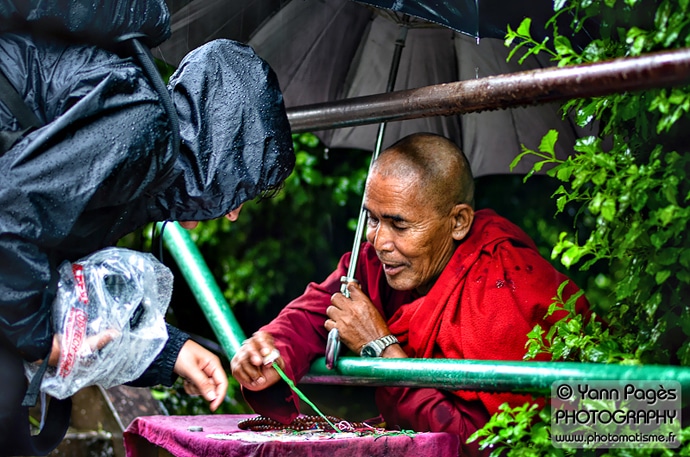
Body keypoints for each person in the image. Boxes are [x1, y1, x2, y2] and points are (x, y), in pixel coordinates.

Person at [0, 4, 296, 453]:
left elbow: (71, 290)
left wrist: (168, 352)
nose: (232, 213)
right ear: (223, 148)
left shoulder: (143, 169)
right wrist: (41, 339)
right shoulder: (146, 124)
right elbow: (12, 209)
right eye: (242, 186)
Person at [231, 132, 588, 456]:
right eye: (372, 218)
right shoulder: (377, 261)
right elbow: (317, 311)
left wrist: (382, 349)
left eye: (399, 224)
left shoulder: (505, 284)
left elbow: (486, 444)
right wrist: (270, 346)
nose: (379, 241)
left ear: (458, 222)